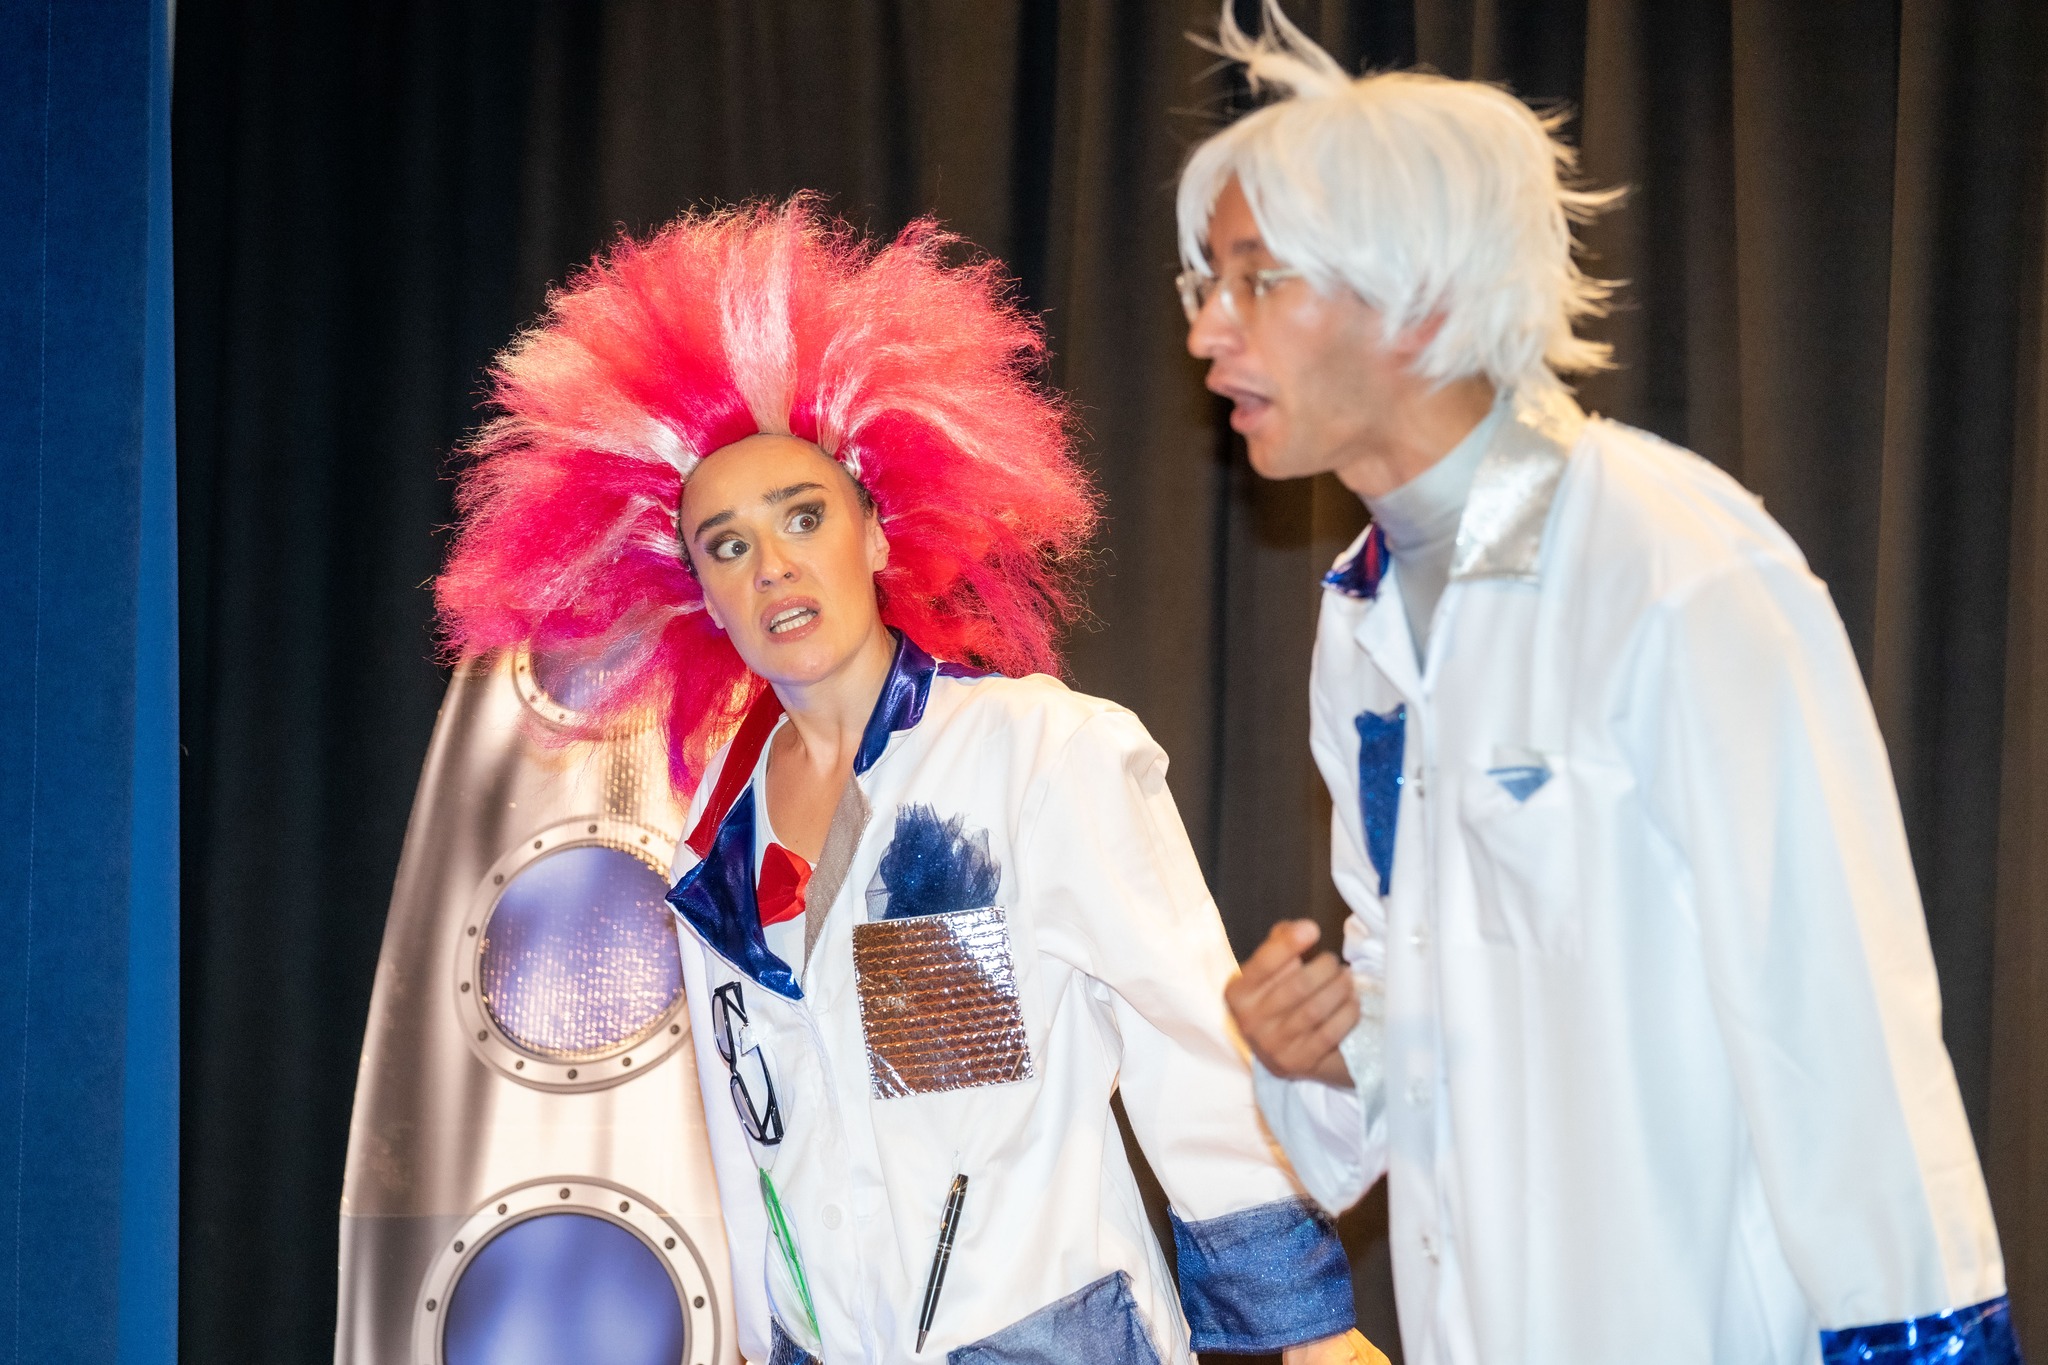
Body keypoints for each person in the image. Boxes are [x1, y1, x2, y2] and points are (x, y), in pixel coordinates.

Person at [1180, 6, 2021, 1364]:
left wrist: (1924, 1346)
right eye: (1202, 287)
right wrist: (1324, 1051)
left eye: (1256, 280)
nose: (1210, 332)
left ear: (1420, 299)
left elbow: (1835, 1016)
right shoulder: (1360, 620)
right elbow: (1432, 1008)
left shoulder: (1671, 563)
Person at [437, 199, 1380, 1365]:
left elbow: (1185, 1040)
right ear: (699, 594)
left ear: (877, 536)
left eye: (802, 516)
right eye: (726, 544)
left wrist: (1307, 1326)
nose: (772, 564)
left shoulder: (1037, 753)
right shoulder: (712, 844)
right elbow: (751, 1152)